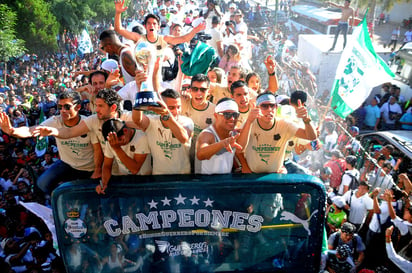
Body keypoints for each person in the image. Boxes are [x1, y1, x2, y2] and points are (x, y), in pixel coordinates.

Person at [0, 92, 99, 195]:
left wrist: (97, 170)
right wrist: (12, 131)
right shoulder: (55, 121)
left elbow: (98, 150)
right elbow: (31, 130)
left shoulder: (87, 123)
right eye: (60, 107)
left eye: (67, 107)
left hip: (88, 167)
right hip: (67, 164)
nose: (62, 111)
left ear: (78, 107)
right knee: (42, 183)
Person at [237, 92, 316, 173]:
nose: (269, 109)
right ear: (257, 108)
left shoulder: (285, 124)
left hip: (276, 177)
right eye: (264, 106)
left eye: (272, 106)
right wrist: (245, 166)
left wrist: (306, 120)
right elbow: (239, 149)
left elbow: (311, 137)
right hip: (252, 176)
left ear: (276, 108)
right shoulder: (249, 123)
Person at [132, 89, 193, 175]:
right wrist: (139, 99)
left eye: (178, 107)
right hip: (159, 175)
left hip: (183, 175)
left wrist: (167, 115)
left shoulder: (187, 121)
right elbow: (137, 120)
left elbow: (183, 138)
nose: (176, 111)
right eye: (171, 108)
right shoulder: (152, 121)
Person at [96, 118, 151, 194]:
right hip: (124, 181)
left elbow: (134, 169)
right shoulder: (112, 141)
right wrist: (104, 183)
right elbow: (107, 166)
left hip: (143, 181)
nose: (118, 144)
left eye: (120, 141)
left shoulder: (141, 138)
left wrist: (117, 148)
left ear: (125, 131)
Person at [196, 98, 241, 174]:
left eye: (235, 115)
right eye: (227, 115)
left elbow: (234, 153)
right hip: (207, 183)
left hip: (225, 182)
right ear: (216, 116)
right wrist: (222, 144)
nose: (232, 119)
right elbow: (201, 155)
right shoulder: (207, 134)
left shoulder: (234, 133)